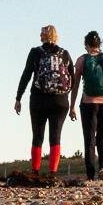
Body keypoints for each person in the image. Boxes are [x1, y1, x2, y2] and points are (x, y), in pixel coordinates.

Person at [15, 25, 73, 173]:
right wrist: (64, 94)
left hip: (39, 99)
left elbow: (26, 75)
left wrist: (18, 97)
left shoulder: (36, 52)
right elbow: (72, 78)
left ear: (44, 36)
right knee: (55, 136)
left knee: (37, 135)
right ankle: (52, 173)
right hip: (60, 101)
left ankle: (35, 171)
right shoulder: (64, 54)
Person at [69, 30, 103, 180]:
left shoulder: (81, 60)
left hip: (88, 103)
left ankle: (90, 174)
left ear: (86, 45)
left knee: (89, 138)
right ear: (99, 44)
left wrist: (72, 106)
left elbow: (75, 85)